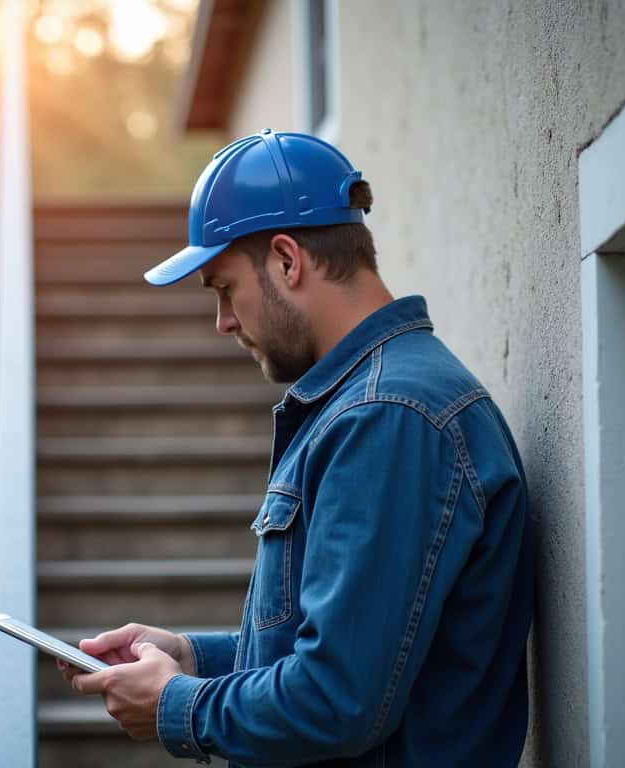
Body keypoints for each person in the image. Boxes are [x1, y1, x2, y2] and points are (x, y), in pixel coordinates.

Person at [57, 130, 535, 766]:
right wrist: (188, 659)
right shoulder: (371, 404)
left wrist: (178, 706)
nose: (223, 322)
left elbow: (336, 697)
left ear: (287, 260)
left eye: (224, 288)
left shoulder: (387, 419)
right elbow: (347, 651)